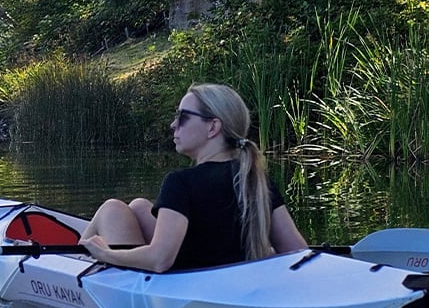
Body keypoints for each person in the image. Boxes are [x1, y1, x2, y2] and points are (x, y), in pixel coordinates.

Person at [79, 83, 307, 272]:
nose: (173, 125)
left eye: (183, 117)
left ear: (212, 127)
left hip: (182, 287)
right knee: (139, 207)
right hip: (227, 281)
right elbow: (298, 253)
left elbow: (160, 260)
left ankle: (74, 265)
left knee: (111, 209)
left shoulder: (181, 182)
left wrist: (105, 254)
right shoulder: (256, 180)